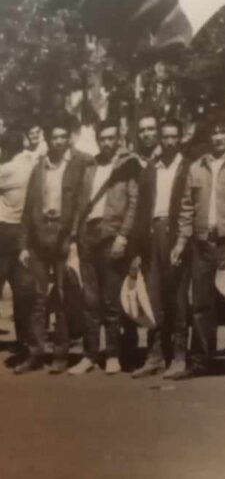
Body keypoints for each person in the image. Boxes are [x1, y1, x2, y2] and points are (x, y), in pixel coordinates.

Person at [173, 110, 225, 381]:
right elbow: (187, 208)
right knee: (201, 304)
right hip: (202, 243)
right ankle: (200, 359)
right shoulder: (197, 166)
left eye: (224, 132)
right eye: (214, 132)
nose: (219, 137)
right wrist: (181, 241)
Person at [15, 115, 92, 374]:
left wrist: (74, 240)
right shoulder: (39, 167)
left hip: (63, 237)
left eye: (63, 137)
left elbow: (83, 204)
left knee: (61, 296)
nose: (58, 142)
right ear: (47, 139)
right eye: (54, 137)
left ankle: (60, 352)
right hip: (38, 238)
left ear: (68, 138)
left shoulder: (79, 163)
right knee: (35, 298)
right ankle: (35, 352)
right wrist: (24, 244)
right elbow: (28, 208)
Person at [68, 119, 140, 376]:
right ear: (98, 140)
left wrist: (123, 236)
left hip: (111, 236)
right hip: (87, 237)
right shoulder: (90, 166)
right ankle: (89, 355)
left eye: (111, 138)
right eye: (103, 138)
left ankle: (112, 354)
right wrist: (75, 237)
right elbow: (80, 203)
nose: (107, 143)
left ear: (119, 139)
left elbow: (133, 203)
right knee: (89, 301)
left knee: (111, 301)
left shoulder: (128, 165)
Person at [130, 118, 191, 379]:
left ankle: (179, 356)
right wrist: (135, 249)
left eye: (173, 137)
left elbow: (191, 207)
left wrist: (181, 241)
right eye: (164, 137)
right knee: (152, 297)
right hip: (151, 236)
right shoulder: (150, 169)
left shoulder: (187, 167)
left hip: (175, 234)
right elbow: (140, 211)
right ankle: (154, 356)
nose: (168, 142)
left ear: (180, 138)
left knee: (177, 298)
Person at [0, 128, 36, 362]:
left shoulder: (7, 170)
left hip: (5, 230)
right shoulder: (31, 161)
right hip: (25, 232)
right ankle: (25, 339)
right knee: (22, 290)